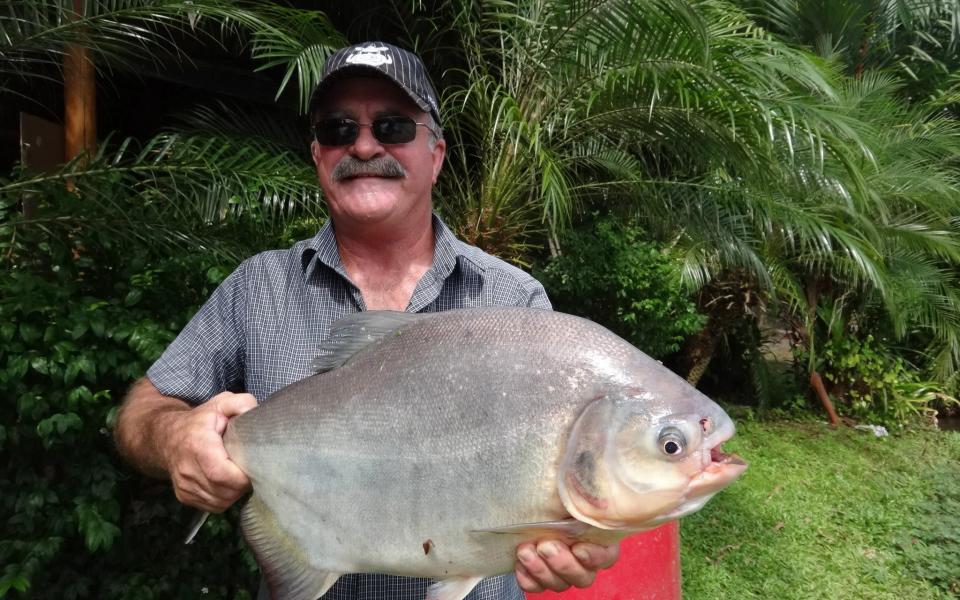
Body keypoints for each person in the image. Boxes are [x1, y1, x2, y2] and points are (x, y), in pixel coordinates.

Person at [114, 41, 619, 600]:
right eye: (337, 129)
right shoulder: (258, 287)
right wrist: (176, 437)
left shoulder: (514, 300)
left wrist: (583, 532)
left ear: (437, 154)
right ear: (317, 156)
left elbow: (571, 477)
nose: (363, 144)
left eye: (393, 126)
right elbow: (139, 411)